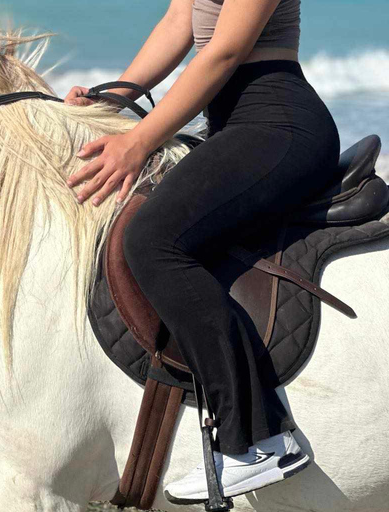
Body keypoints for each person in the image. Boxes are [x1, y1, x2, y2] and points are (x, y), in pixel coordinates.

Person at [65, 0, 339, 504]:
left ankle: (261, 441)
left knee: (153, 241)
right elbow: (178, 22)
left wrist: (141, 139)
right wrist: (115, 101)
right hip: (233, 122)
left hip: (277, 121)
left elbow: (225, 49)